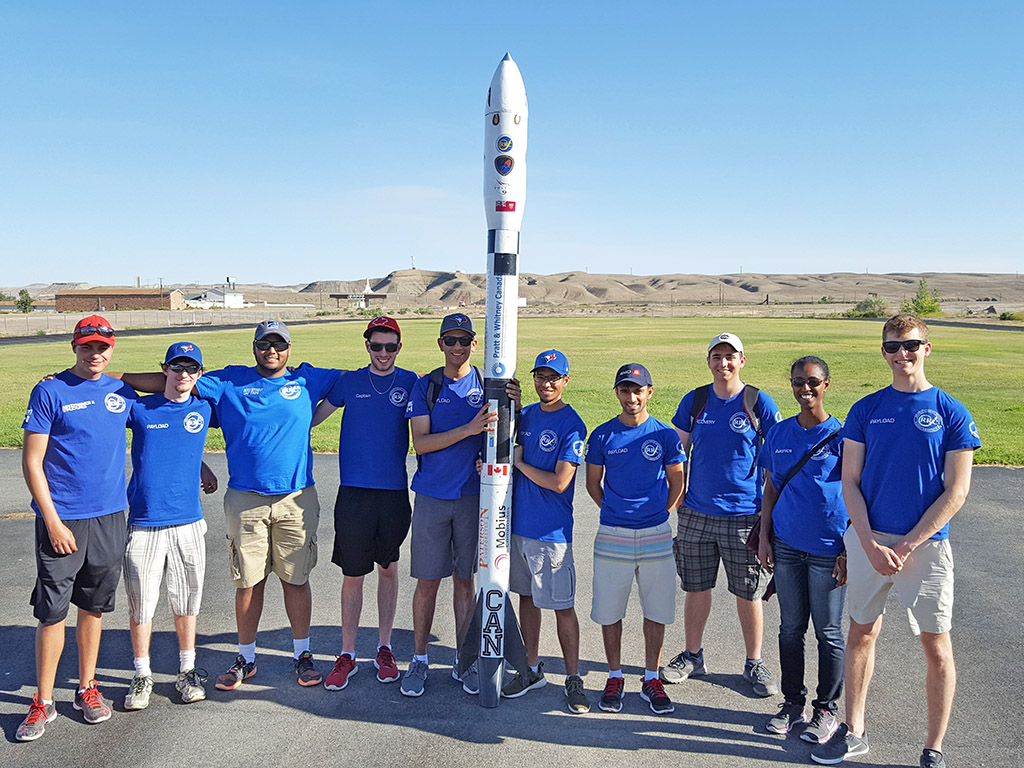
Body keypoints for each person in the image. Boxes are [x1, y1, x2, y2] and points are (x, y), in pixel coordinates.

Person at [118, 320, 342, 691]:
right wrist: (105, 378)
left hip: (296, 497)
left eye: (279, 345)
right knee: (248, 583)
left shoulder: (309, 379)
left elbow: (363, 377)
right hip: (245, 499)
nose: (272, 351)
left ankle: (302, 654)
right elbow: (173, 380)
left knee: (296, 579)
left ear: (289, 348)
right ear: (254, 347)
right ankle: (246, 657)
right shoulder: (228, 381)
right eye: (264, 344)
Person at [811, 315, 980, 768]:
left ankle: (933, 748)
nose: (901, 354)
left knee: (936, 645)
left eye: (910, 346)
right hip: (869, 541)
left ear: (927, 348)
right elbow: (850, 482)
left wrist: (905, 546)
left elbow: (956, 491)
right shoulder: (866, 409)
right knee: (861, 632)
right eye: (892, 347)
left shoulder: (951, 411)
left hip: (924, 546)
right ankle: (854, 731)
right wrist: (866, 543)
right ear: (882, 351)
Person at [17, 316, 137, 741]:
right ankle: (43, 701)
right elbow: (32, 460)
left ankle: (87, 688)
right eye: (87, 346)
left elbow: (167, 383)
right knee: (52, 612)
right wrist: (51, 521)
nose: (95, 353)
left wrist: (116, 373)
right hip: (62, 518)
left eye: (103, 347)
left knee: (94, 606)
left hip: (109, 516)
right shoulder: (49, 391)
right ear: (74, 346)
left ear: (112, 348)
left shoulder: (121, 390)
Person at [664, 332, 782, 697]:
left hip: (745, 514)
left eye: (730, 357)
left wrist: (768, 514)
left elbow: (776, 458)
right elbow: (677, 453)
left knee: (749, 592)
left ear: (742, 360)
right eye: (716, 356)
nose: (723, 363)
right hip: (697, 512)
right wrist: (678, 498)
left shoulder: (757, 401)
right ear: (709, 361)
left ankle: (754, 662)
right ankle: (693, 655)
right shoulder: (696, 400)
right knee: (696, 588)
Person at [311, 317, 418, 691]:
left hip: (392, 493)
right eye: (377, 346)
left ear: (399, 348)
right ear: (367, 346)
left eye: (391, 347)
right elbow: (308, 419)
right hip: (354, 492)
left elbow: (444, 409)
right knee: (353, 575)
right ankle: (347, 653)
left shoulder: (411, 382)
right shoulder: (348, 382)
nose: (384, 353)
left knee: (388, 569)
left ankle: (385, 647)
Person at [400, 313, 496, 698]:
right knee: (427, 582)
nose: (457, 347)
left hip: (473, 496)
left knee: (465, 581)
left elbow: (503, 435)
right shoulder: (426, 386)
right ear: (440, 344)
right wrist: (468, 430)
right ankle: (420, 659)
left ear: (475, 344)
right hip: (432, 496)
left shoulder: (489, 386)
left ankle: (465, 659)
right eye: (450, 340)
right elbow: (420, 443)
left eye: (464, 340)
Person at [122, 342, 219, 710]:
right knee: (141, 604)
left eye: (191, 369)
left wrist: (203, 467)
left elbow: (185, 448)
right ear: (164, 369)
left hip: (188, 522)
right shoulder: (140, 408)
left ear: (198, 374)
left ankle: (187, 670)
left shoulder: (204, 407)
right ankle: (141, 673)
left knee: (187, 599)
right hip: (145, 520)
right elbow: (106, 388)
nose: (183, 375)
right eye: (176, 367)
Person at [585, 363, 685, 715]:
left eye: (638, 390)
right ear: (617, 393)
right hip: (613, 533)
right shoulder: (601, 435)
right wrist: (616, 511)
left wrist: (662, 514)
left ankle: (650, 677)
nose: (632, 397)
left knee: (656, 609)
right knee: (610, 610)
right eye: (625, 390)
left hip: (656, 532)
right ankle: (614, 676)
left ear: (649, 392)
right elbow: (592, 484)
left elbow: (678, 482)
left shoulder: (666, 436)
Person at [756, 356, 847, 743]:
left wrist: (849, 549)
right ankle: (793, 703)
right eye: (797, 382)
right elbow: (772, 487)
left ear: (826, 384)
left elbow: (861, 493)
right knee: (791, 629)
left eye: (812, 382)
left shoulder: (843, 435)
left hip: (830, 548)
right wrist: (764, 536)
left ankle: (825, 709)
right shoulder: (778, 434)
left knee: (828, 632)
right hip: (788, 545)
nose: (804, 389)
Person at [500, 349, 590, 713]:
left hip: (551, 535)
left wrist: (520, 464)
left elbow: (559, 481)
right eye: (540, 376)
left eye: (553, 378)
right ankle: (531, 668)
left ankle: (573, 678)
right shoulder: (528, 416)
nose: (546, 383)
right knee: (527, 600)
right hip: (518, 528)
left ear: (565, 381)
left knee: (562, 607)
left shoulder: (573, 424)